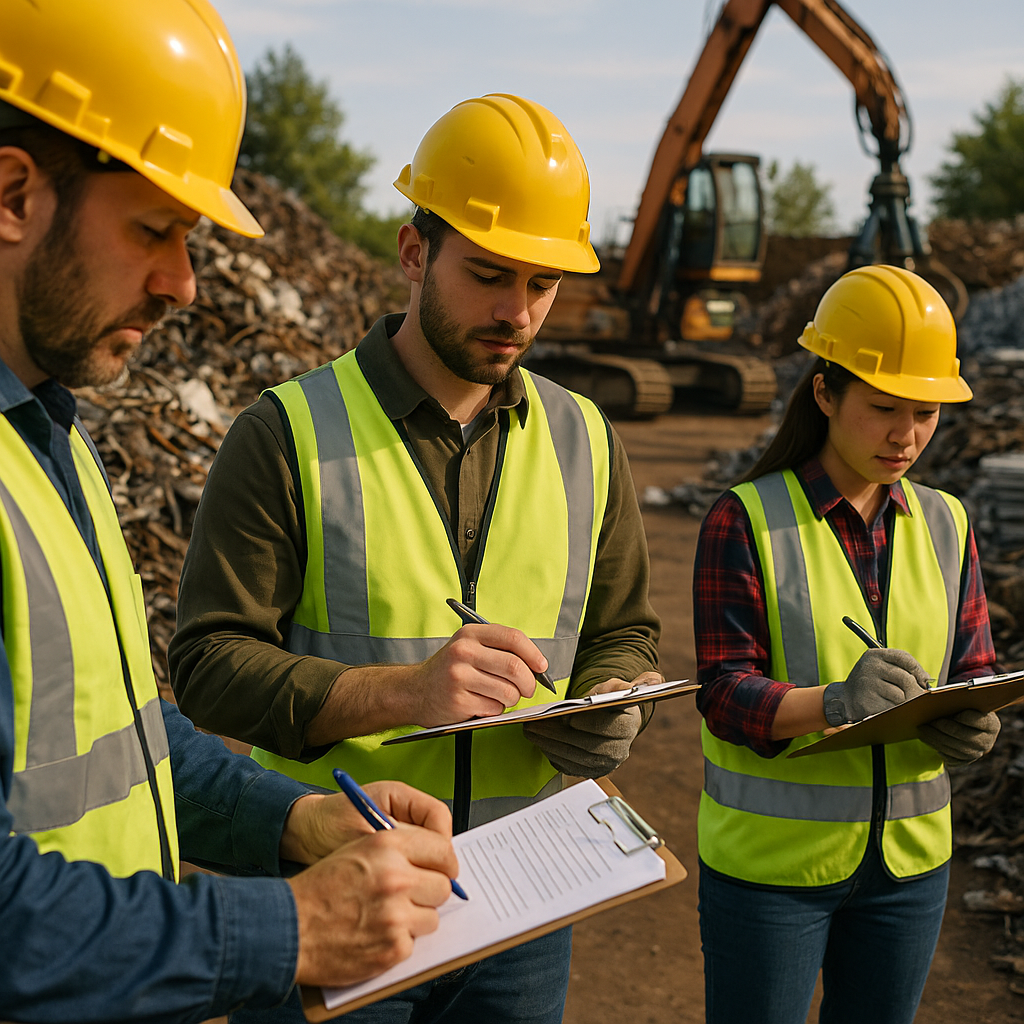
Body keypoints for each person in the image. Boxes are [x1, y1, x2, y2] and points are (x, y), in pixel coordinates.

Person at [0, 2, 462, 1021]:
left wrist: (297, 819)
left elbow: (123, 737)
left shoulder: (49, 435)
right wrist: (287, 927)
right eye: (155, 231)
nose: (183, 284)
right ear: (12, 192)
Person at [169, 93, 662, 1023]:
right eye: (487, 274)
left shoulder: (587, 438)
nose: (516, 312)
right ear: (412, 252)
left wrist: (612, 708)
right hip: (348, 877)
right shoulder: (286, 433)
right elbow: (206, 668)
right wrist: (400, 693)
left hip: (528, 892)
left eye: (542, 284)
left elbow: (624, 630)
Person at [692, 264, 1001, 1024]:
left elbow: (972, 666)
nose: (907, 435)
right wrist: (832, 702)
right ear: (824, 394)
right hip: (770, 873)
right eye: (885, 408)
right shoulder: (746, 519)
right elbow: (724, 692)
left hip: (910, 868)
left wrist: (975, 719)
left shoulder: (947, 523)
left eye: (926, 412)